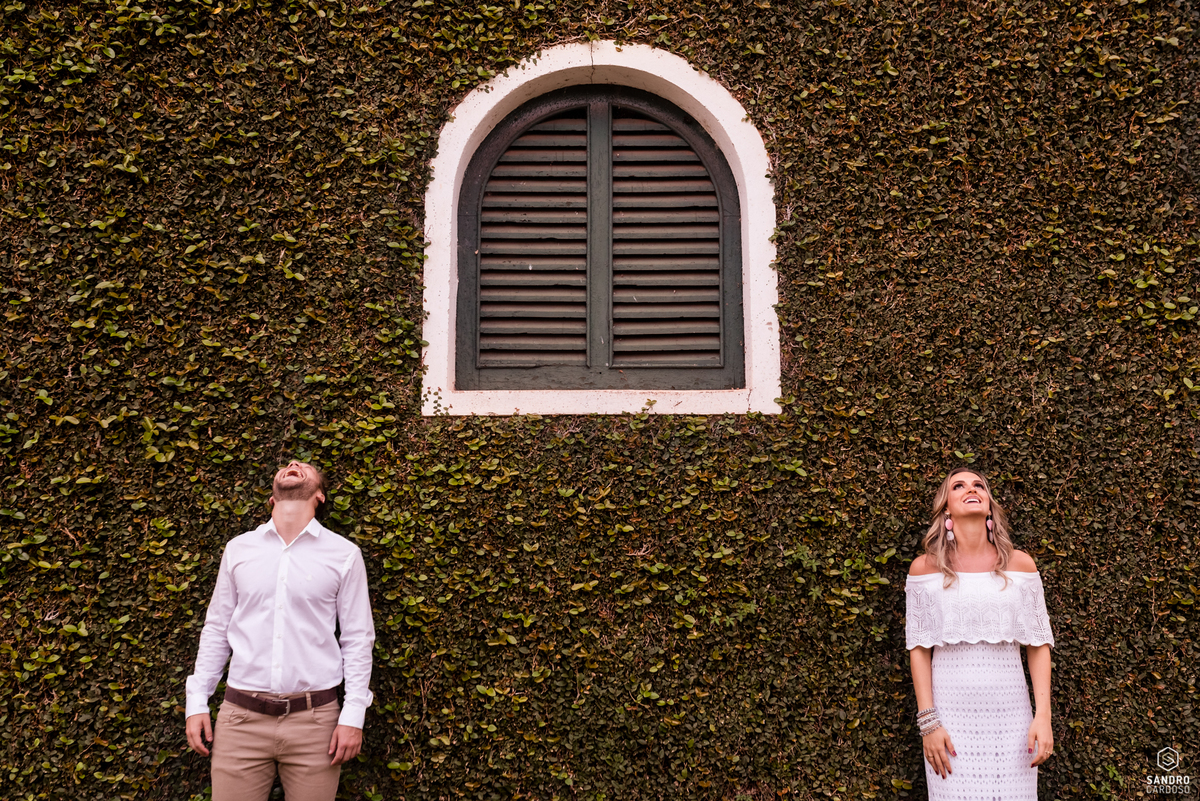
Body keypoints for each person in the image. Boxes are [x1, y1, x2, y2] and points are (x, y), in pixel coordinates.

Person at [185, 460, 375, 801]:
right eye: (287, 464)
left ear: (319, 496)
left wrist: (353, 715)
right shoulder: (239, 549)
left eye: (305, 467)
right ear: (272, 499)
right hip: (240, 721)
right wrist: (197, 700)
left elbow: (358, 638)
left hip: (316, 724)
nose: (293, 464)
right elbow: (216, 628)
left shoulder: (344, 555)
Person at [905, 466, 1054, 800]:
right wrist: (929, 723)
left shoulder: (1021, 565)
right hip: (948, 724)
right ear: (946, 508)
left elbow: (1038, 644)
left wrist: (1042, 716)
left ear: (989, 506)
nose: (971, 489)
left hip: (1012, 721)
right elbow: (919, 649)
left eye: (978, 486)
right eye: (958, 486)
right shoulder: (924, 569)